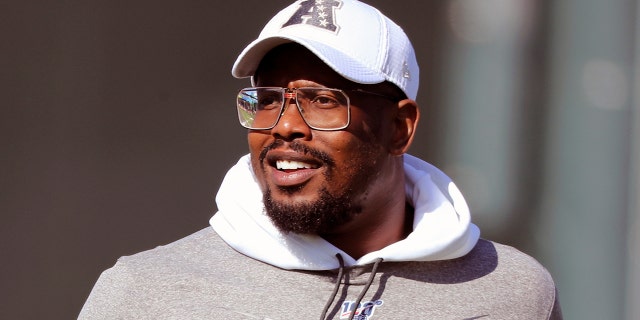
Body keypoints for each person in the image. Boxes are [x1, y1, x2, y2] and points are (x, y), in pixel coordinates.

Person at [79, 1, 562, 319]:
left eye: (322, 100)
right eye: (267, 99)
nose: (284, 125)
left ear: (400, 128)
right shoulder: (143, 296)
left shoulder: (512, 295)